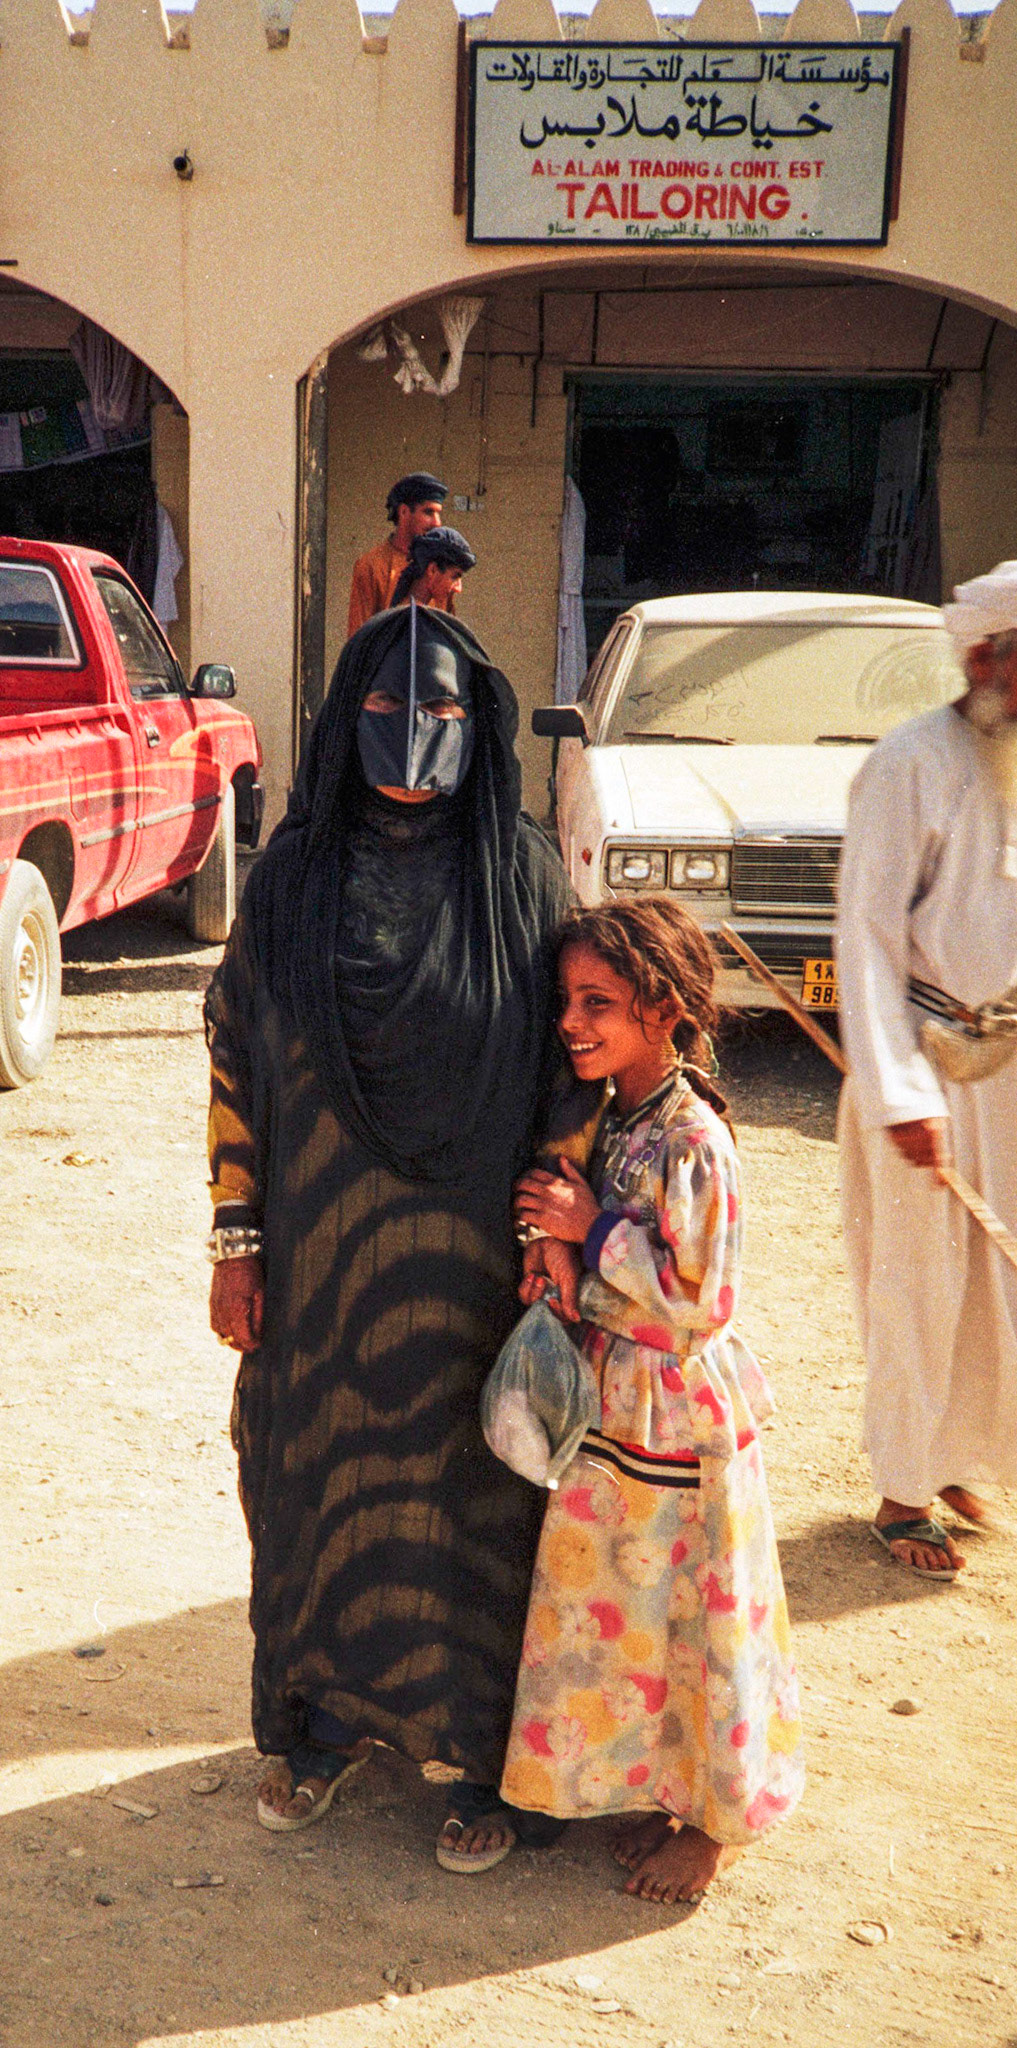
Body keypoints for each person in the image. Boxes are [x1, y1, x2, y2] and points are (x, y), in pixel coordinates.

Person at [204, 561, 583, 1869]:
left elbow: (572, 1065)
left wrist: (559, 1227)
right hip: (317, 1274)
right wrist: (236, 1240)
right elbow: (234, 1056)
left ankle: (483, 1761)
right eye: (383, 706)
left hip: (476, 1278)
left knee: (477, 1502)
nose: (414, 737)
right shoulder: (294, 881)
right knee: (314, 1487)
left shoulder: (522, 879)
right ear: (341, 718)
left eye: (443, 710)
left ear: (482, 721)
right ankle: (311, 1731)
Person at [505, 899, 803, 1905]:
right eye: (567, 1001)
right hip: (615, 1415)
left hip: (678, 1418)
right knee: (629, 1621)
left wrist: (586, 1233)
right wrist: (552, 1254)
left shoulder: (693, 1138)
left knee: (701, 1628)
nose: (573, 1023)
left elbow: (696, 1305)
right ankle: (647, 1781)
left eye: (601, 1003)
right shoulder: (611, 1117)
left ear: (665, 1010)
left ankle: (713, 1827)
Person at [835, 559, 1017, 1580]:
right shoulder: (907, 762)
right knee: (921, 1279)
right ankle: (906, 1486)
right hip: (924, 1058)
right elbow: (864, 939)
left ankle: (970, 1454)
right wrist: (898, 1092)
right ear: (982, 655)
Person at [346, 471, 447, 637]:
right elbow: (358, 639)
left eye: (438, 513)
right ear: (404, 512)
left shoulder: (441, 566)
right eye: (428, 512)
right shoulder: (371, 565)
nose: (437, 523)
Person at [389, 525, 476, 616]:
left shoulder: (413, 614)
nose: (458, 589)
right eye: (454, 577)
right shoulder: (413, 620)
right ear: (432, 570)